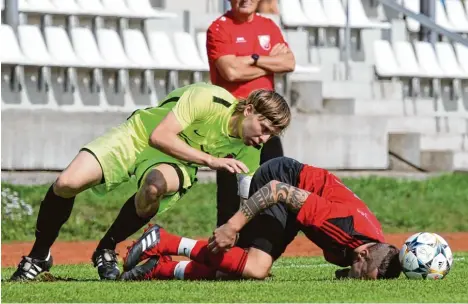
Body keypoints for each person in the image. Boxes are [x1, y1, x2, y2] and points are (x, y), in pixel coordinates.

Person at [10, 83, 291, 281]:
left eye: (271, 135)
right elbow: (160, 136)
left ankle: (106, 247)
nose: (264, 139)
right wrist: (211, 161)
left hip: (178, 163)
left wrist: (243, 245)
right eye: (264, 129)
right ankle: (38, 256)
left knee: (154, 187)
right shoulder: (208, 98)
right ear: (249, 110)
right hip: (139, 135)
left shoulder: (250, 148)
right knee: (66, 183)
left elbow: (246, 198)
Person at [120, 157, 402, 281]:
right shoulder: (341, 225)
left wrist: (350, 272)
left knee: (235, 272)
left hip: (295, 204)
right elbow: (277, 191)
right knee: (255, 267)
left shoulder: (372, 248)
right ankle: (163, 240)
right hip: (280, 179)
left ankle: (160, 269)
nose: (358, 280)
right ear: (363, 253)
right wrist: (233, 225)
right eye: (363, 277)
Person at [206, 0, 296, 229]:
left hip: (267, 119)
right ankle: (224, 250)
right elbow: (230, 71)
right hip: (234, 122)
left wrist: (253, 58)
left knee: (275, 180)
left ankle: (266, 241)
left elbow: (289, 62)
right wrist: (269, 62)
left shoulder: (268, 26)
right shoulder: (219, 28)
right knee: (230, 191)